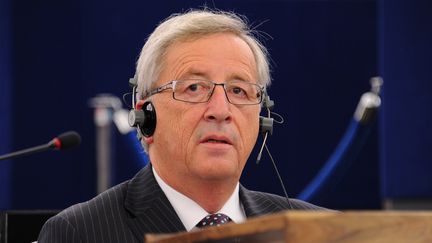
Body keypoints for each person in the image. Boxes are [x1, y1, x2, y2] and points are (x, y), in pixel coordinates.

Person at [38, 9, 325, 243]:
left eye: (239, 91)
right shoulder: (79, 233)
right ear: (145, 115)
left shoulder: (319, 232)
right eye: (194, 88)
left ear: (262, 120)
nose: (221, 111)